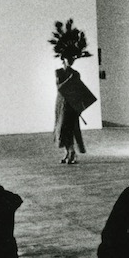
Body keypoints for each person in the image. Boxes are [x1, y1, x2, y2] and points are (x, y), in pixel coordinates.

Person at [49, 18, 94, 164]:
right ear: (64, 59)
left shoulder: (76, 73)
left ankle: (72, 153)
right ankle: (68, 153)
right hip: (61, 104)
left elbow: (79, 91)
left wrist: (80, 107)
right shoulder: (59, 72)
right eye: (69, 59)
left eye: (73, 58)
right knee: (62, 129)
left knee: (70, 129)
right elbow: (60, 87)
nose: (72, 61)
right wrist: (72, 78)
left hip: (71, 106)